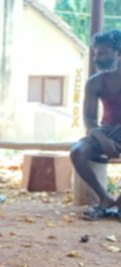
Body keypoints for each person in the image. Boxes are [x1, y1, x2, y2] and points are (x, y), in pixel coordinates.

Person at [70, 30, 121, 220]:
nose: (97, 58)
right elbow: (89, 119)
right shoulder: (94, 83)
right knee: (77, 152)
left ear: (118, 53)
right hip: (105, 131)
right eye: (96, 53)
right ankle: (105, 199)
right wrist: (102, 138)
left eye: (104, 53)